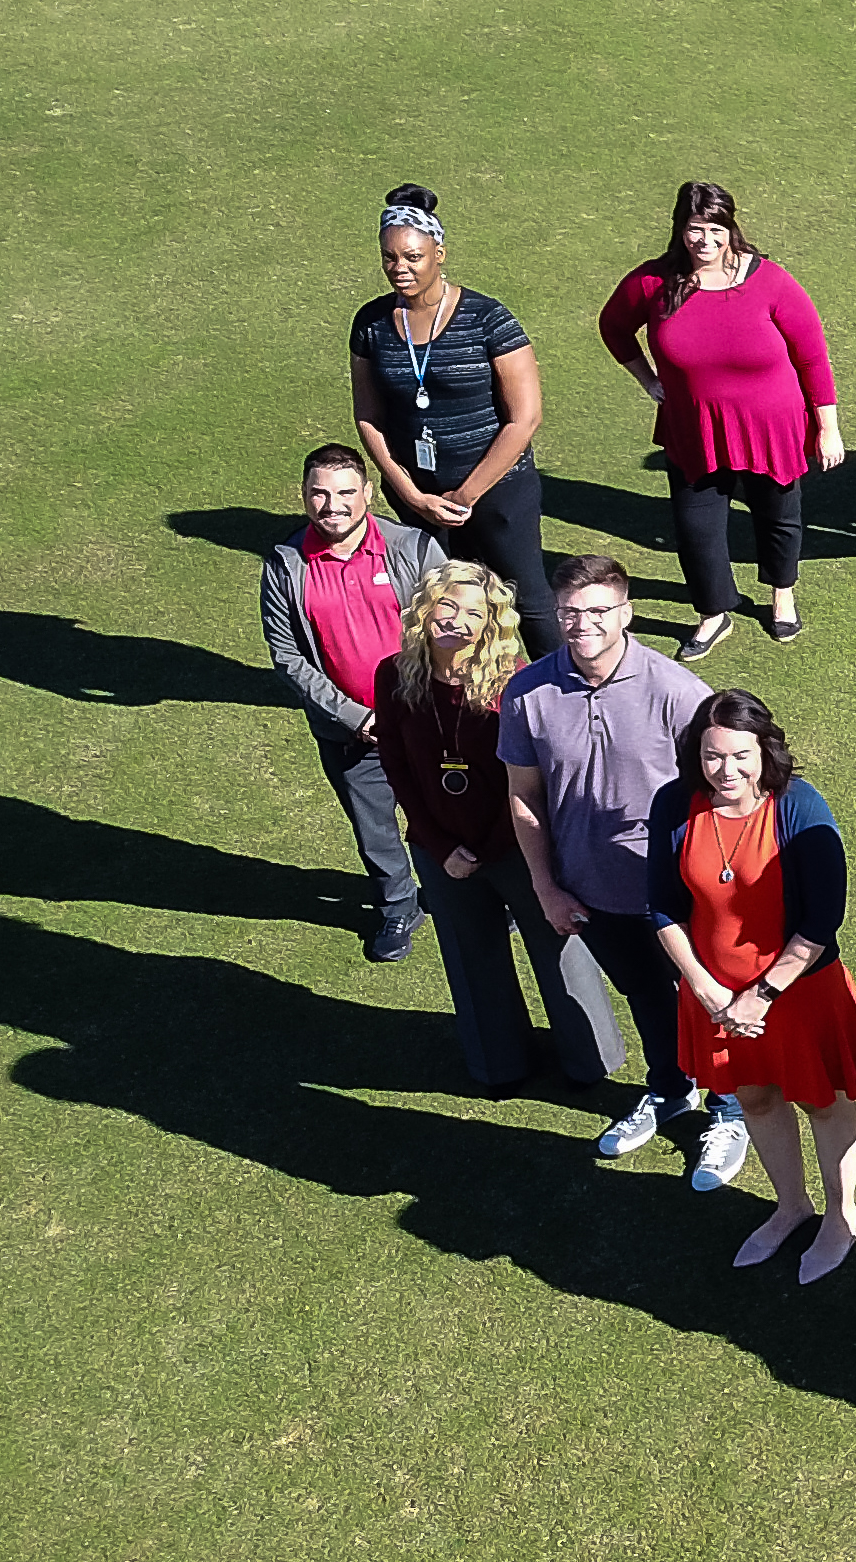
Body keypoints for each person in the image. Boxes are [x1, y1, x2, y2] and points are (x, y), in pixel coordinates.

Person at [646, 689, 856, 1283]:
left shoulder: (799, 806)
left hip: (796, 993)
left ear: (764, 752)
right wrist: (705, 990)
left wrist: (761, 994)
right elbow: (662, 908)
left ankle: (840, 1214)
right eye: (712, 756)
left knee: (823, 1102)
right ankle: (791, 1205)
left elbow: (821, 922)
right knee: (752, 1097)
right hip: (716, 998)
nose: (726, 771)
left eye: (740, 756)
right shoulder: (675, 804)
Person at [501, 554, 721, 1168]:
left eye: (599, 611)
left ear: (626, 613)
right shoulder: (527, 693)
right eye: (571, 612)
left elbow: (726, 792)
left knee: (706, 997)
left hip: (677, 893)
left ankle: (730, 1108)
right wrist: (545, 886)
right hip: (590, 888)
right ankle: (673, 1090)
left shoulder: (678, 693)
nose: (583, 625)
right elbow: (523, 795)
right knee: (646, 996)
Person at [377, 560, 621, 1095]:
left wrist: (487, 847)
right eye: (448, 605)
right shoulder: (394, 674)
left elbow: (536, 778)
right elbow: (395, 764)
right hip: (441, 850)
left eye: (474, 613)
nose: (457, 621)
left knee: (559, 947)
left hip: (518, 844)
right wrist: (441, 847)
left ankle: (592, 1061)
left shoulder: (514, 684)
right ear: (425, 609)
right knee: (470, 956)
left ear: (492, 626)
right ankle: (498, 1065)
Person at [594, 181, 843, 661]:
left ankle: (782, 595)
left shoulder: (770, 281)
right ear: (679, 230)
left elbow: (811, 356)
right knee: (696, 528)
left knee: (778, 517)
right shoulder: (653, 282)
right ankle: (713, 613)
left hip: (773, 426)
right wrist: (648, 381)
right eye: (694, 230)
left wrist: (827, 426)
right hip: (694, 428)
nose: (704, 241)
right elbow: (614, 327)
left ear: (731, 228)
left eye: (714, 230)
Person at [348, 184, 557, 655]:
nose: (399, 268)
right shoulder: (371, 324)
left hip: (497, 490)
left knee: (528, 598)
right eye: (389, 257)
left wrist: (465, 495)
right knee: (444, 604)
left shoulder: (487, 318)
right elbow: (368, 415)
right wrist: (410, 494)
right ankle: (463, 696)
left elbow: (524, 418)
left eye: (412, 256)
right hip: (418, 494)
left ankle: (571, 696)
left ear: (438, 254)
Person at [260, 445, 446, 963]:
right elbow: (289, 658)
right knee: (375, 831)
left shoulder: (413, 548)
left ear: (367, 494)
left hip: (427, 722)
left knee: (451, 811)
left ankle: (473, 894)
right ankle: (398, 906)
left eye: (345, 492)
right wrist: (355, 717)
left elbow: (455, 627)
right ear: (304, 496)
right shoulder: (285, 566)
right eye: (319, 492)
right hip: (351, 732)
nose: (332, 505)